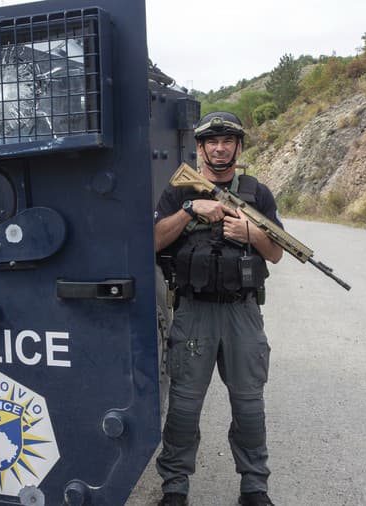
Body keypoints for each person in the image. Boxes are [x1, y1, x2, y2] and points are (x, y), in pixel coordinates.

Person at [153, 111, 283, 506]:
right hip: (194, 311)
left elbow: (277, 253)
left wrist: (251, 232)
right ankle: (175, 487)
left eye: (228, 141)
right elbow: (154, 241)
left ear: (239, 147)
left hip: (242, 312)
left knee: (249, 406)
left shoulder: (257, 192)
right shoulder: (179, 191)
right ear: (201, 148)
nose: (220, 148)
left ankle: (254, 487)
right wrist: (192, 210)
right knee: (184, 406)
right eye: (212, 141)